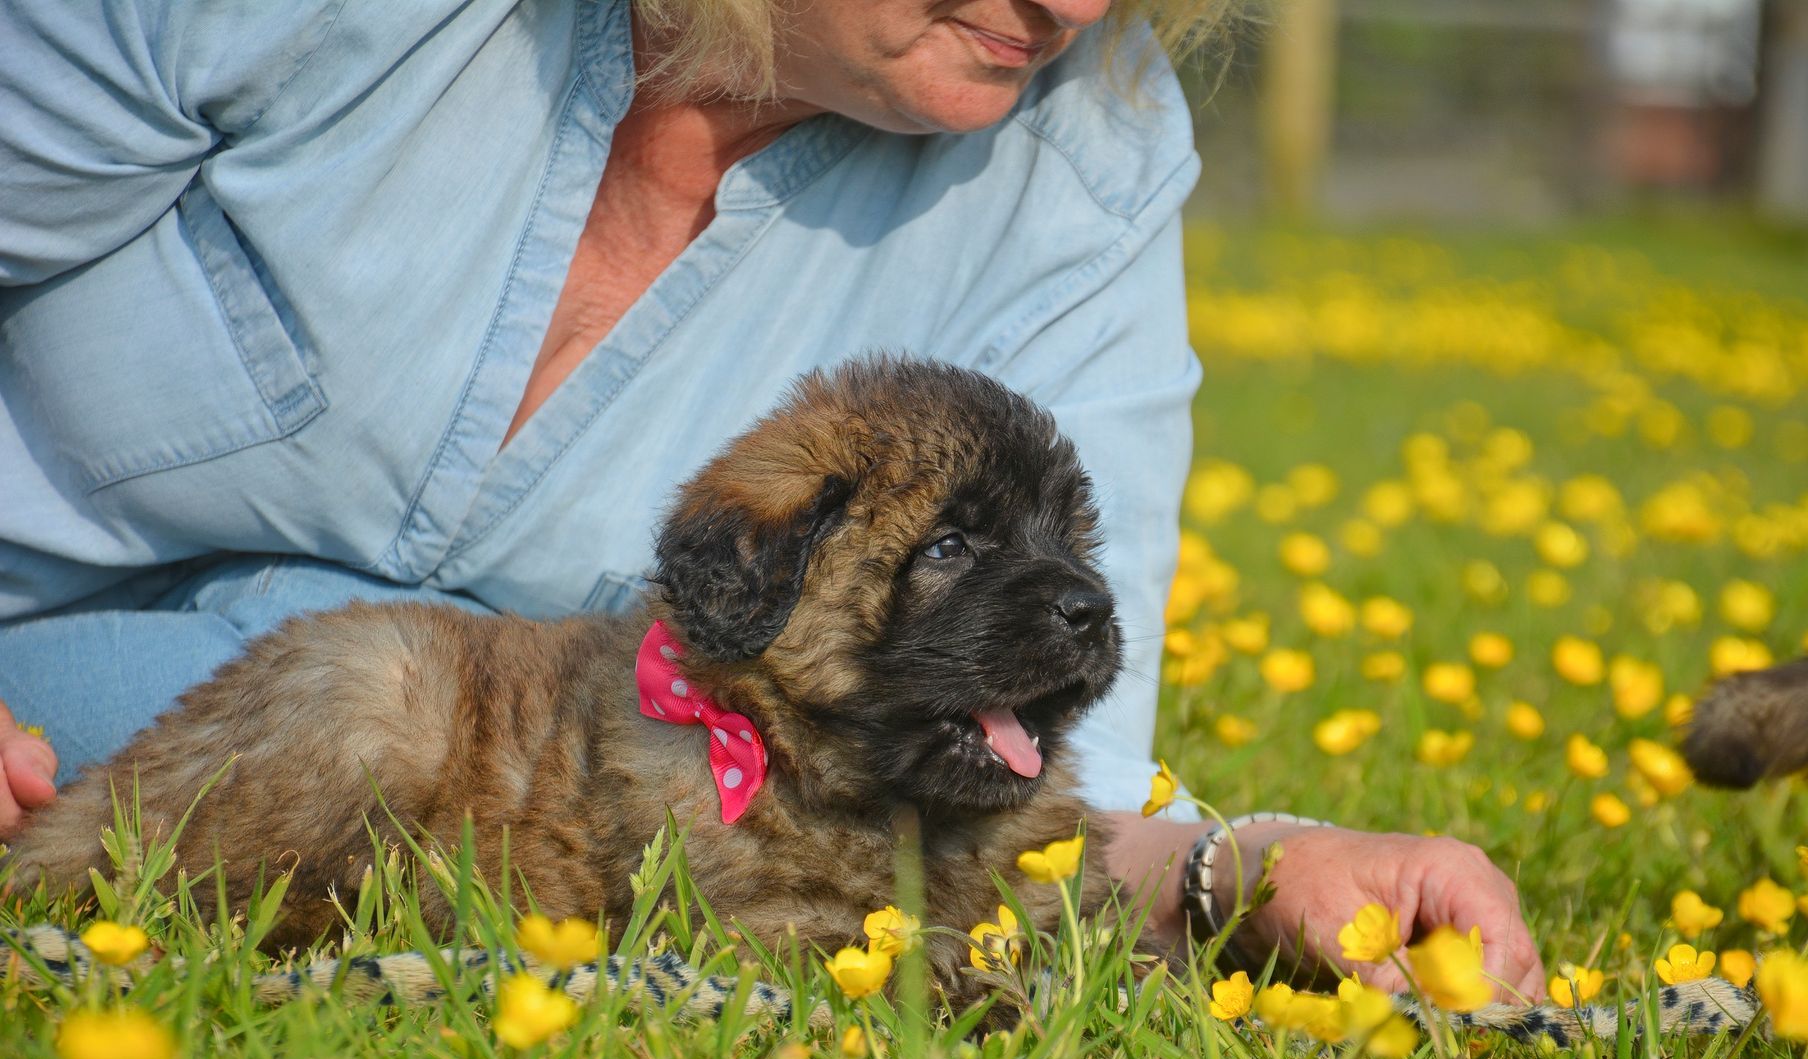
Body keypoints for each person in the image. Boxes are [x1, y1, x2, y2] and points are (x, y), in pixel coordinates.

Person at [0, 0, 1544, 999]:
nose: (1074, 7)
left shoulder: (1087, 153)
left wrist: (1251, 874)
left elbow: (1031, 795)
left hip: (490, 774)